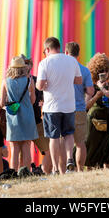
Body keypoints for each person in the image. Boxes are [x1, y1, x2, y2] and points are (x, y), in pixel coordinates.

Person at [36, 37, 82, 174]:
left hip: (51, 106)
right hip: (69, 104)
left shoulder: (44, 63)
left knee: (54, 137)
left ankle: (55, 168)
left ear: (48, 49)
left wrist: (45, 84)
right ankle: (69, 159)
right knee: (68, 135)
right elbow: (79, 81)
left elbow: (39, 86)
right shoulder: (72, 60)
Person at [0, 55, 38, 174]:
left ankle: (14, 173)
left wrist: (11, 106)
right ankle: (26, 173)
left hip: (13, 118)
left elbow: (2, 103)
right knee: (26, 146)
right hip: (27, 116)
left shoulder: (6, 81)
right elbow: (33, 100)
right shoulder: (29, 80)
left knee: (14, 148)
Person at [65, 42, 94, 172]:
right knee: (80, 142)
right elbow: (90, 91)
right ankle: (80, 169)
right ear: (78, 54)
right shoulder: (84, 70)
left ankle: (61, 169)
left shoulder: (62, 69)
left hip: (63, 108)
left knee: (63, 140)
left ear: (66, 53)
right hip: (79, 109)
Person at [85, 53, 109, 169]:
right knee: (91, 148)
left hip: (108, 120)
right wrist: (97, 95)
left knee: (106, 149)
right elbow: (86, 106)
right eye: (101, 70)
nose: (104, 73)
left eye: (106, 70)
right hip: (94, 122)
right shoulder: (91, 86)